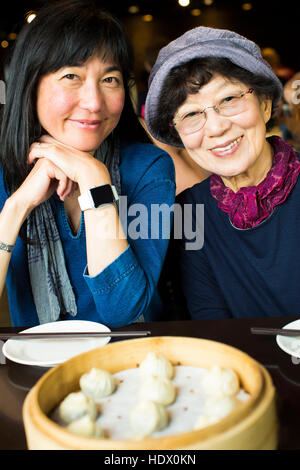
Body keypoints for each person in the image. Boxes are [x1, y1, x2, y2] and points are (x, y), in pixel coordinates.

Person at [0, 0, 175, 327]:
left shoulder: (149, 168)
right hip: (37, 363)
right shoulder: (6, 170)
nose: (94, 102)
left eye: (110, 79)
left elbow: (123, 311)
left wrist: (95, 181)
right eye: (71, 75)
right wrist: (16, 206)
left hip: (129, 362)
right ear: (30, 84)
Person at [145, 26, 300, 320]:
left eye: (229, 99)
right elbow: (212, 326)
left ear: (265, 105)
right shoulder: (190, 213)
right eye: (191, 114)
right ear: (178, 136)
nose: (216, 128)